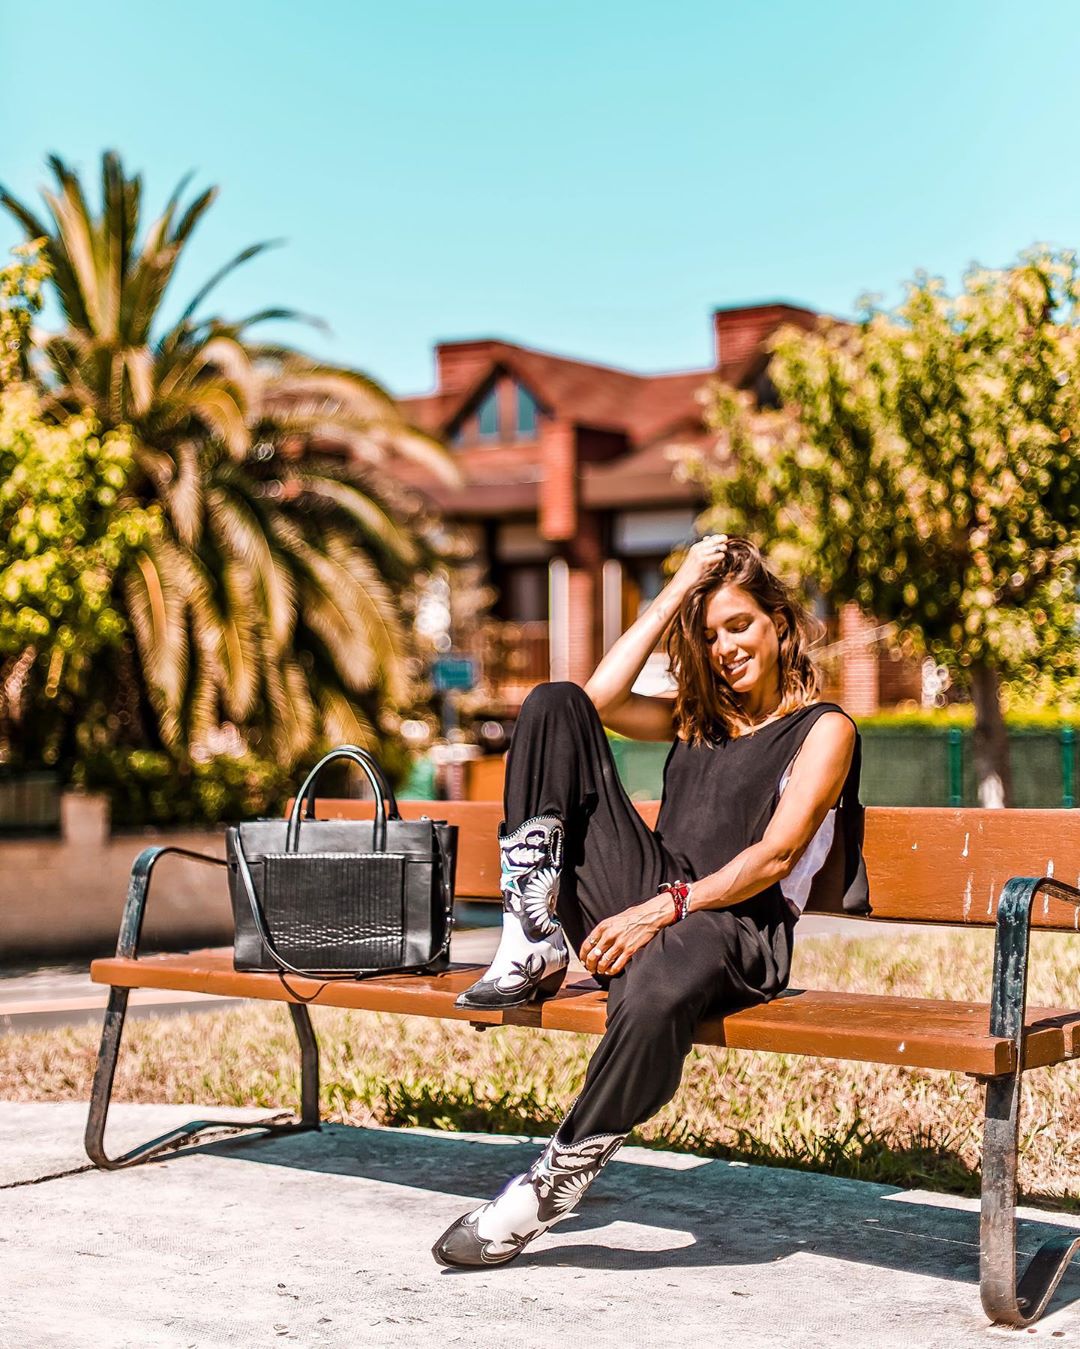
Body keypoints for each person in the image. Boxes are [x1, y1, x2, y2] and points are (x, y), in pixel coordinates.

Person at [432, 534, 864, 1269]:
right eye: (709, 634)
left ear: (779, 624)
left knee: (661, 982)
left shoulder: (825, 728)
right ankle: (531, 931)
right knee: (551, 701)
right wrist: (678, 587)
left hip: (735, 927)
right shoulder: (696, 717)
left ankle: (553, 1179)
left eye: (740, 625)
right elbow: (589, 704)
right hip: (655, 897)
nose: (725, 646)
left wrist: (664, 907)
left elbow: (778, 854)